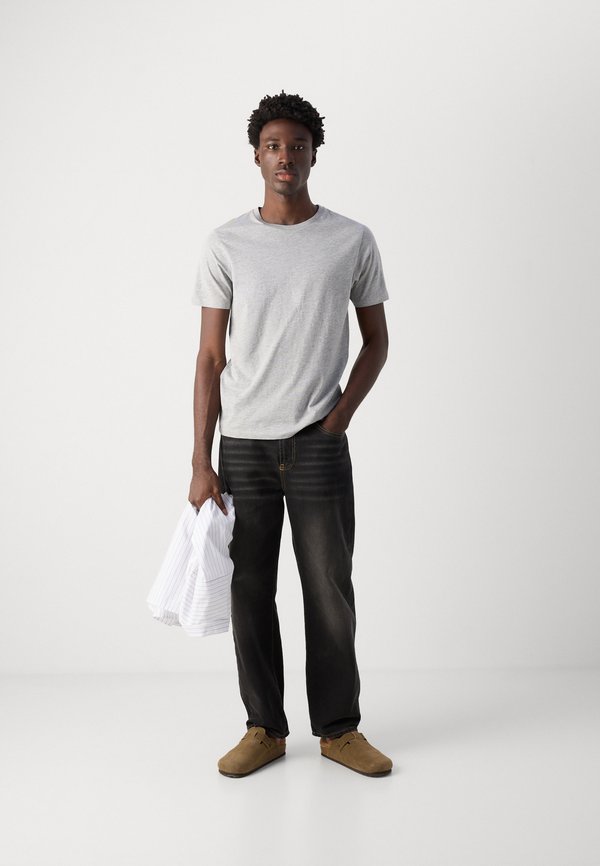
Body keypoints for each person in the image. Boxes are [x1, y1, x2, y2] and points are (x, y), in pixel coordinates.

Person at [188, 90, 392, 778]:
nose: (285, 156)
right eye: (273, 145)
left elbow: (377, 340)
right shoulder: (226, 244)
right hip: (243, 446)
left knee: (329, 590)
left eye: (297, 146)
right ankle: (263, 728)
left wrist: (339, 419)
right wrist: (201, 461)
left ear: (313, 155)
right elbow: (210, 357)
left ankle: (339, 730)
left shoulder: (350, 239)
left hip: (317, 443)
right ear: (256, 156)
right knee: (249, 590)